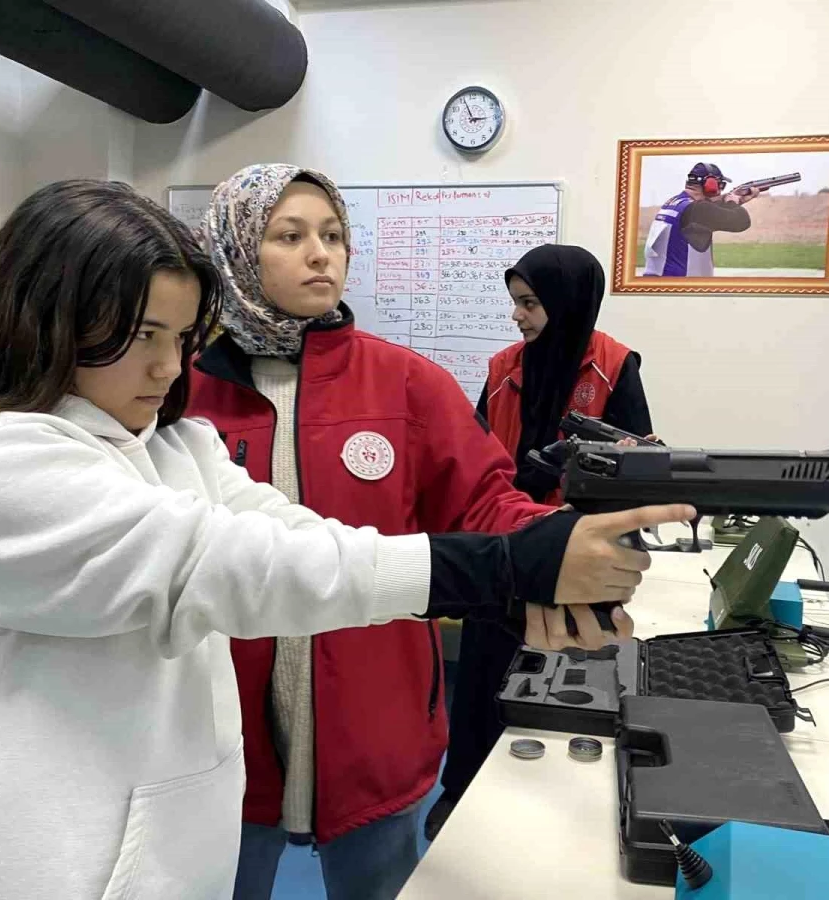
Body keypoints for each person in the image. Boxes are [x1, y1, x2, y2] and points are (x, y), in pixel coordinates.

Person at [0, 179, 691, 900]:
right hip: (37, 857)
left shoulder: (173, 444)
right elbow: (225, 565)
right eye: (140, 336)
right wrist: (506, 566)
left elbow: (298, 532)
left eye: (178, 337)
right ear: (43, 320)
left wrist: (526, 573)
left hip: (178, 832)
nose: (166, 369)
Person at [190, 164, 609, 900]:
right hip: (218, 739)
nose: (322, 254)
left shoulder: (405, 382)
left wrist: (558, 544)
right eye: (290, 237)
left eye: (333, 235)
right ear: (233, 250)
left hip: (377, 728)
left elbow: (485, 501)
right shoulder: (180, 391)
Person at [427, 243, 654, 839]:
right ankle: (458, 798)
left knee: (564, 699)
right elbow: (476, 460)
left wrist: (570, 474)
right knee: (477, 687)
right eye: (515, 303)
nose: (518, 316)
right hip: (501, 554)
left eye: (529, 304)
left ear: (564, 301)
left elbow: (638, 469)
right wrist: (523, 477)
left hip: (574, 561)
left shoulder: (613, 364)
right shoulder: (505, 367)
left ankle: (549, 821)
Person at [642, 162, 763, 277]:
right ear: (711, 184)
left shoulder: (674, 203)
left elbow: (710, 214)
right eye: (721, 185)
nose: (720, 190)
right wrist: (732, 201)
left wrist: (737, 201)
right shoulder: (697, 209)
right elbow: (741, 221)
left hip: (658, 281)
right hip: (681, 286)